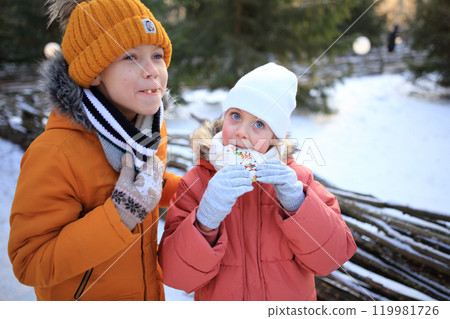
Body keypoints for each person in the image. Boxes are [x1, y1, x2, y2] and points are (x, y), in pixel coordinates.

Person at [8, 0, 181, 301]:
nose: (152, 71)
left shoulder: (147, 131)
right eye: (131, 57)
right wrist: (119, 216)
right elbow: (29, 262)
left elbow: (150, 185)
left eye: (157, 55)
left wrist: (198, 188)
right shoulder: (55, 153)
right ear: (95, 72)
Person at [159, 63, 357, 300]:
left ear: (276, 136)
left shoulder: (299, 181)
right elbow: (176, 276)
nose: (242, 131)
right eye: (236, 116)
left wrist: (298, 204)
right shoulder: (196, 183)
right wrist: (205, 220)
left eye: (259, 124)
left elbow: (332, 258)